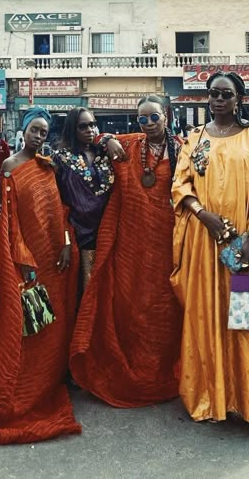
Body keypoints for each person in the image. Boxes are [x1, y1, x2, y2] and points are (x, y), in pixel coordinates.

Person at [171, 71, 249, 451]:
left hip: (245, 246)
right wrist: (203, 215)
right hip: (205, 245)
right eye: (213, 94)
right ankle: (219, 397)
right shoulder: (195, 139)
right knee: (208, 317)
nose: (218, 100)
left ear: (239, 98)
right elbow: (181, 185)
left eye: (226, 94)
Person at [0, 107, 82, 443]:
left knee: (54, 326)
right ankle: (26, 390)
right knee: (28, 329)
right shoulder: (9, 167)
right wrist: (22, 257)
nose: (38, 136)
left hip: (54, 260)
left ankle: (51, 381)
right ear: (23, 130)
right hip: (27, 261)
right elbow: (9, 220)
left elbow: (59, 210)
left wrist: (64, 244)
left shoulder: (48, 166)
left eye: (44, 132)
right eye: (34, 130)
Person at [69, 95, 183, 407]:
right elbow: (98, 135)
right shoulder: (132, 144)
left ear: (166, 116)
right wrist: (107, 138)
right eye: (142, 119)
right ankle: (132, 366)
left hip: (166, 245)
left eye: (153, 118)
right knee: (131, 306)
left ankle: (163, 370)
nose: (147, 124)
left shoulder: (183, 149)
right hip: (132, 244)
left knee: (166, 308)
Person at [53, 107, 114, 289]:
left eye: (93, 125)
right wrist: (66, 238)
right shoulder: (61, 159)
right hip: (81, 236)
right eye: (83, 126)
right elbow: (56, 202)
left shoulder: (104, 154)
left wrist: (108, 138)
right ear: (73, 129)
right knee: (88, 290)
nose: (90, 130)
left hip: (110, 232)